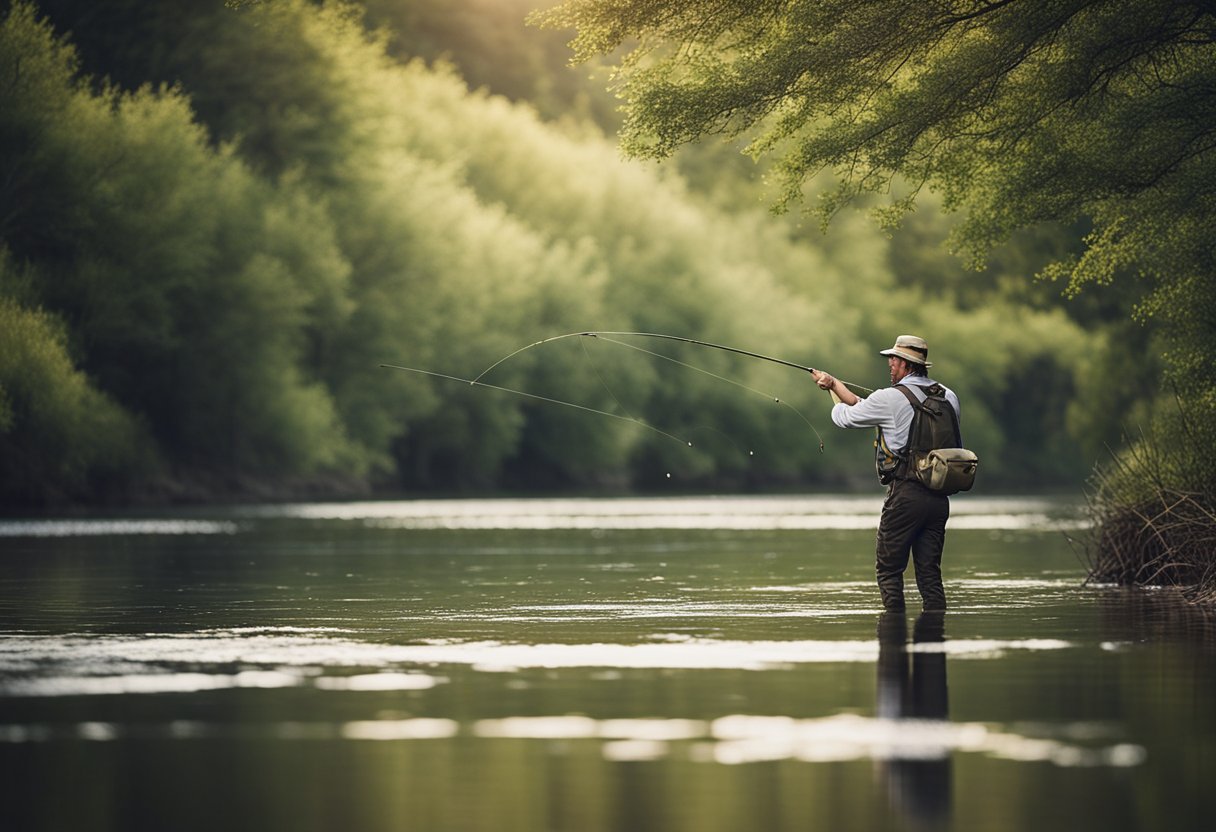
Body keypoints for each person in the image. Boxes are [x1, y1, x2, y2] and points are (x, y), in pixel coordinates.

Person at [811, 335, 961, 612]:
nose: (890, 364)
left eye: (893, 359)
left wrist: (830, 392)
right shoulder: (949, 397)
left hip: (906, 495)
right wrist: (834, 384)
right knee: (930, 576)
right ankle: (934, 645)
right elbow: (864, 404)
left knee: (889, 571)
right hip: (939, 498)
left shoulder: (890, 398)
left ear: (906, 364)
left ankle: (893, 642)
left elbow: (844, 417)